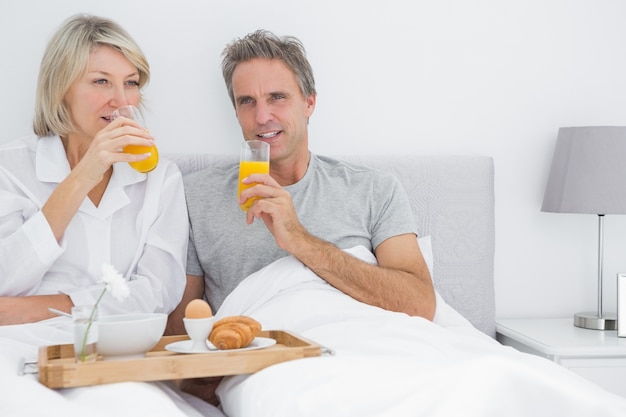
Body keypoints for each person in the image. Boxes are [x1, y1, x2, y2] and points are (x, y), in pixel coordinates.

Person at [169, 29, 435, 333]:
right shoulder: (196, 197)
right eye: (247, 102)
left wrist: (299, 240)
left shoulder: (374, 190)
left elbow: (420, 304)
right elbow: (179, 334)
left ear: (309, 103)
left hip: (369, 347)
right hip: (267, 362)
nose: (262, 116)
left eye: (277, 97)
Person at [0, 14, 188, 325]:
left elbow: (159, 292)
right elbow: (5, 278)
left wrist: (46, 307)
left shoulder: (160, 178)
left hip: (116, 345)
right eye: (101, 81)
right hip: (20, 344)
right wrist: (82, 176)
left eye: (131, 83)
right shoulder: (10, 168)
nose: (121, 99)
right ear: (61, 88)